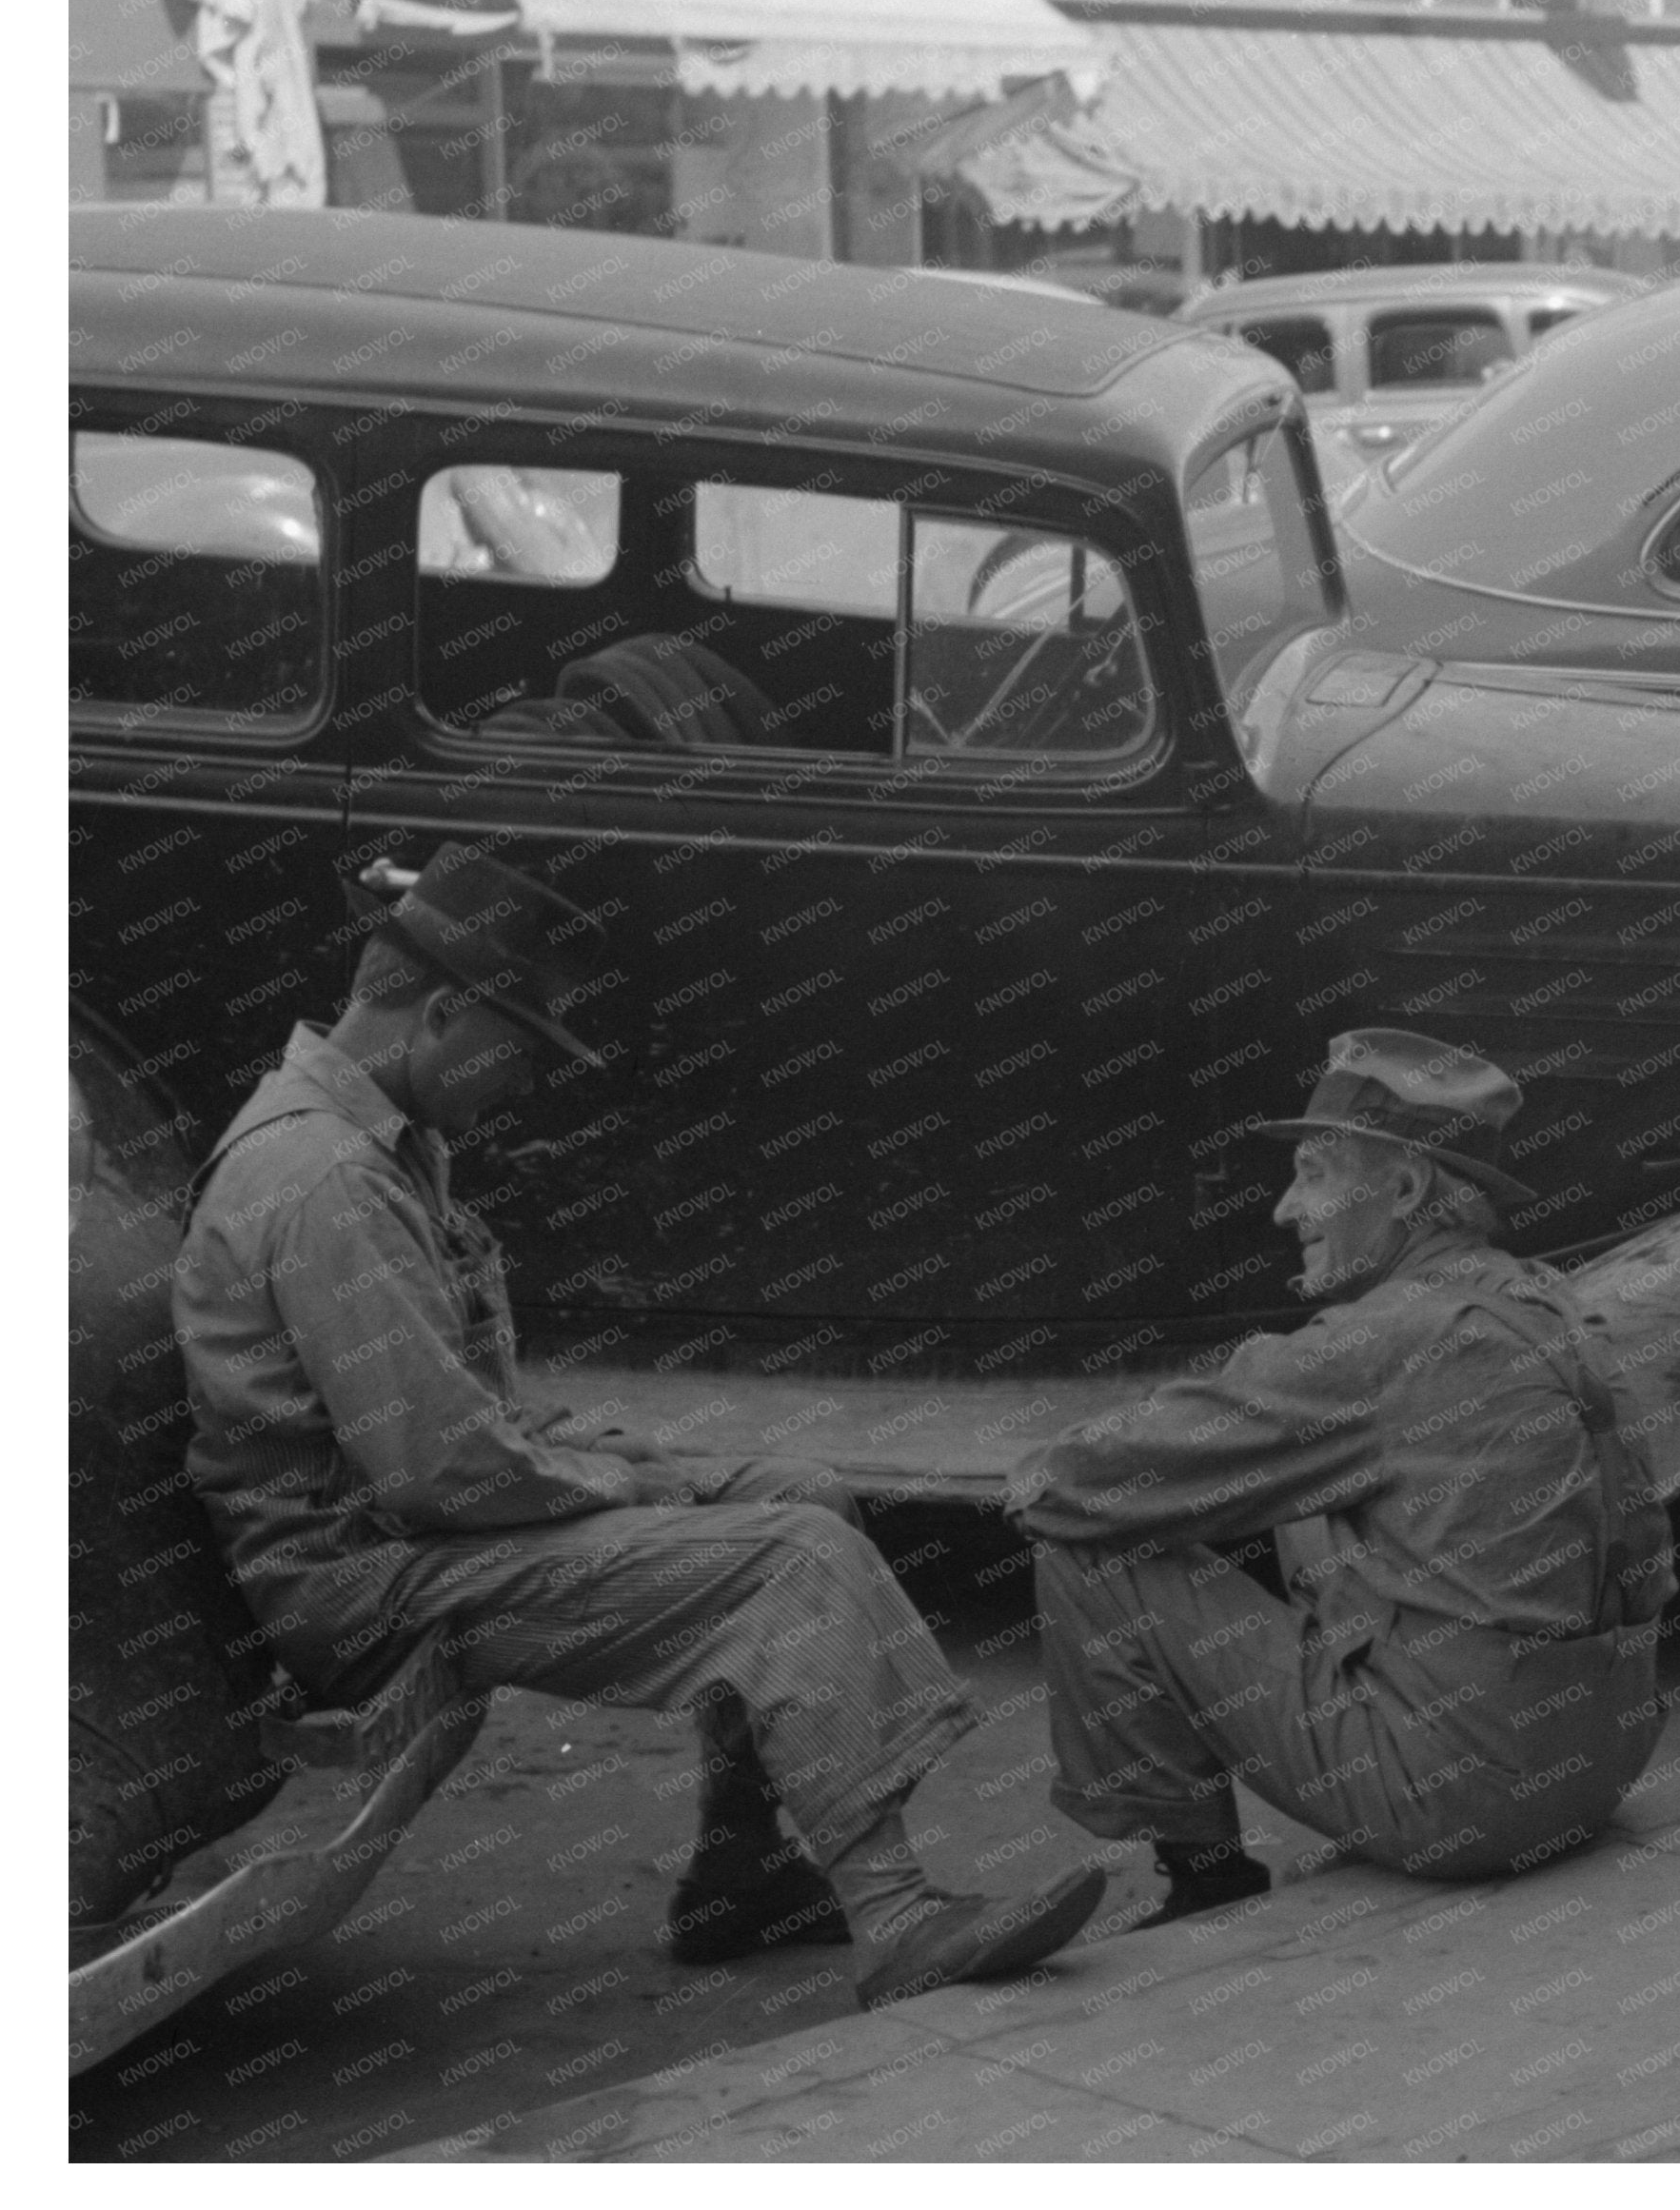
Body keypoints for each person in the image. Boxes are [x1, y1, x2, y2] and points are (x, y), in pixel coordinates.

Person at [176, 844, 1101, 2009]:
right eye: (517, 1047)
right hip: (365, 1583)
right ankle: (901, 1918)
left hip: (415, 1540)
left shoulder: (377, 1141)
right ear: (447, 1010)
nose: (526, 1083)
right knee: (787, 1560)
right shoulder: (326, 1176)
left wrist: (619, 1466)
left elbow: (457, 1425)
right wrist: (628, 1486)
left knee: (804, 1490)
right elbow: (441, 1474)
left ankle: (745, 1871)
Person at [1012, 1030, 1674, 1919]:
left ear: (1403, 1189)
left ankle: (1205, 1883)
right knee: (1294, 1478)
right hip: (1602, 1766)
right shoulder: (1544, 1296)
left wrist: (1039, 1478)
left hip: (1471, 1808)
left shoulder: (1388, 1340)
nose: (1287, 1210)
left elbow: (1072, 1489)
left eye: (1316, 1175)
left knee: (1092, 1554)